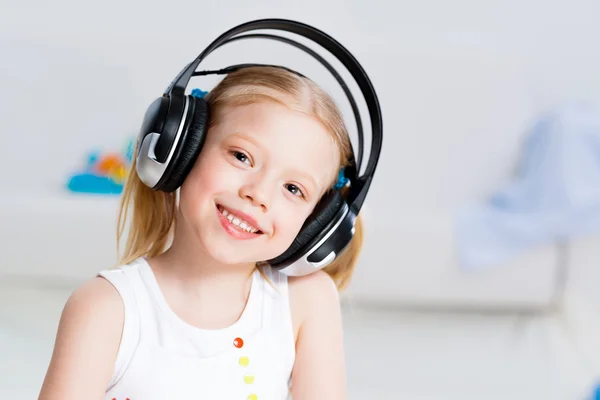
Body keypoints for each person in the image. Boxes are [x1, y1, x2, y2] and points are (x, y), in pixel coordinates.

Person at [38, 64, 365, 400]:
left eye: (293, 188)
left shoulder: (306, 301)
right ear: (182, 150)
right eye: (241, 156)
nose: (258, 193)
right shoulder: (106, 309)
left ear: (319, 222)